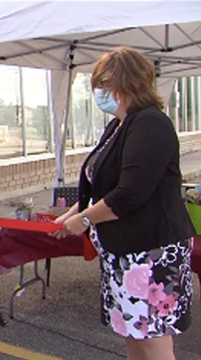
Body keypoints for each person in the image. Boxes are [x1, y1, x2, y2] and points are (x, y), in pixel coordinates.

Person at [52, 46, 194, 360]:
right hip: (124, 252)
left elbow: (130, 193)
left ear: (125, 83)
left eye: (104, 84)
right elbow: (104, 186)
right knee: (133, 334)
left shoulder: (150, 124)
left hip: (151, 252)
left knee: (152, 341)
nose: (99, 92)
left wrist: (86, 219)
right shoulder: (120, 125)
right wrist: (73, 214)